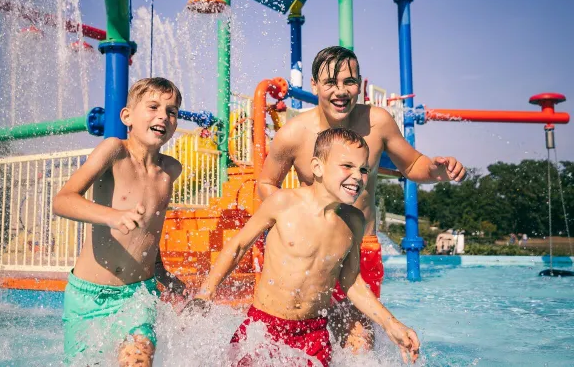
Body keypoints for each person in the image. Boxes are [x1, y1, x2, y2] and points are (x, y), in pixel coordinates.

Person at [257, 46, 467, 349]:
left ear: (360, 84)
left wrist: (436, 169)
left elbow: (411, 164)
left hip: (362, 246)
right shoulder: (295, 133)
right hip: (314, 250)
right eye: (330, 82)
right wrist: (292, 215)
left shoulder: (377, 122)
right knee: (306, 336)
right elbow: (266, 182)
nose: (341, 91)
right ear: (314, 85)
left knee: (359, 342)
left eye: (349, 82)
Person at [190, 128, 420, 366]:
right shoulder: (284, 203)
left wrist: (391, 323)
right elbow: (238, 246)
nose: (357, 176)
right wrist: (205, 293)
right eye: (347, 166)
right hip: (264, 326)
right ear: (318, 167)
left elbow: (352, 281)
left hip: (312, 334)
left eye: (363, 170)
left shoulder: (353, 221)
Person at [53, 77, 183, 366]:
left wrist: (162, 274)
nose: (163, 115)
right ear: (127, 116)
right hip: (88, 297)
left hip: (138, 296)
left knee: (138, 360)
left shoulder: (169, 172)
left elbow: (150, 233)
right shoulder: (115, 151)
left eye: (172, 111)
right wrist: (113, 216)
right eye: (153, 106)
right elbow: (62, 200)